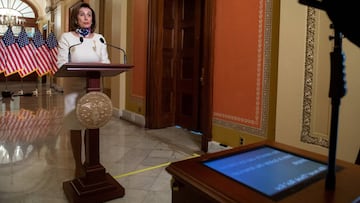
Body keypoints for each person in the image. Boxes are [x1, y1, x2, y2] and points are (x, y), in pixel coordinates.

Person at [56, 2, 110, 177]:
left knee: (91, 123)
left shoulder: (99, 38)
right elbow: (61, 64)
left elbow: (106, 63)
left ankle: (91, 162)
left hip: (93, 88)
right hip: (74, 89)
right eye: (82, 14)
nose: (86, 17)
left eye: (89, 14)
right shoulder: (67, 38)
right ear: (76, 18)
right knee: (76, 125)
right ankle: (78, 164)